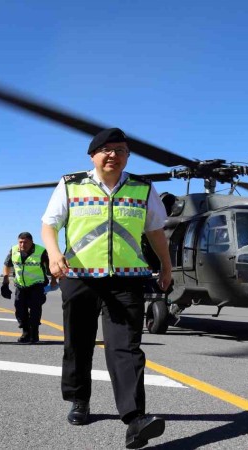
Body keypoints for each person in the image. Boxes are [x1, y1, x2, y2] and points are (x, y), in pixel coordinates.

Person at [41, 128, 172, 449]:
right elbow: (49, 224)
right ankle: (79, 400)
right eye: (107, 149)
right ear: (93, 155)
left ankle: (135, 419)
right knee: (78, 342)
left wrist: (166, 266)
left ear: (128, 156)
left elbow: (156, 231)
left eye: (121, 150)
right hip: (80, 276)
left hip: (126, 279)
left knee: (126, 347)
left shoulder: (142, 188)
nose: (114, 155)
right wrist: (55, 255)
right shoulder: (71, 184)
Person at [2, 232, 55, 344]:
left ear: (31, 242)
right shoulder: (13, 250)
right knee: (20, 310)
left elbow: (51, 266)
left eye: (25, 242)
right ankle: (26, 332)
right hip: (20, 285)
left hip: (37, 285)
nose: (22, 244)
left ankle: (34, 334)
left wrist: (54, 281)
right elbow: (7, 264)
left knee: (35, 310)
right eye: (20, 242)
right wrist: (5, 280)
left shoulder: (41, 251)